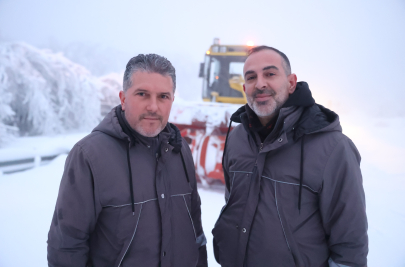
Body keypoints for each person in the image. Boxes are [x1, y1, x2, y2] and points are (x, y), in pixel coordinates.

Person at [212, 46, 368, 267]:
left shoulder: (333, 148)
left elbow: (350, 244)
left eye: (270, 74)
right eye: (251, 77)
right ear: (245, 87)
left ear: (292, 83)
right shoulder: (237, 138)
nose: (260, 84)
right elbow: (233, 202)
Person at [47, 54, 207, 267]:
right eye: (142, 94)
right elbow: (67, 246)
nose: (153, 106)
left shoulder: (180, 150)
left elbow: (195, 228)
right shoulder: (89, 156)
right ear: (123, 98)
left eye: (163, 97)